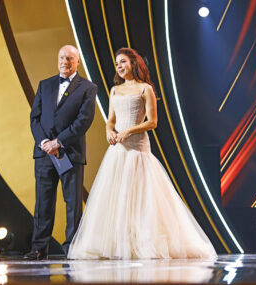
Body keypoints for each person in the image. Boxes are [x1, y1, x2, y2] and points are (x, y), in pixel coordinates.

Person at [68, 48, 217, 259]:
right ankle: (119, 243)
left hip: (138, 149)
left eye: (123, 62)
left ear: (133, 64)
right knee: (118, 197)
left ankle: (143, 241)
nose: (119, 66)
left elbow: (153, 122)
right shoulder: (114, 90)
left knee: (141, 197)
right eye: (117, 63)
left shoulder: (145, 88)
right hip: (118, 151)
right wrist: (109, 130)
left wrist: (129, 129)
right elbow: (111, 119)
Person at [25, 45, 97, 260]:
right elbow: (34, 118)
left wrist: (59, 142)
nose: (65, 62)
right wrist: (45, 142)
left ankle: (71, 250)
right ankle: (39, 248)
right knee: (43, 203)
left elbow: (83, 121)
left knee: (73, 205)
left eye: (69, 58)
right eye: (62, 58)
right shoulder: (44, 85)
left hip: (70, 153)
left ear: (77, 62)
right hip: (45, 154)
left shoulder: (87, 88)